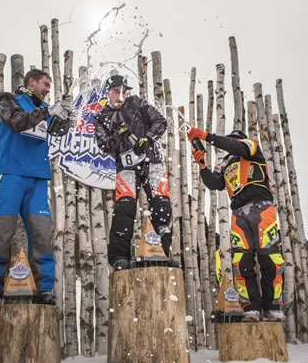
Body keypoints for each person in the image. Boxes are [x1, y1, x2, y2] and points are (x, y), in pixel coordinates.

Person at [0, 69, 72, 307]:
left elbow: (58, 130)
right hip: (10, 174)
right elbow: (18, 122)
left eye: (50, 86)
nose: (48, 89)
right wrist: (48, 110)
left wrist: (66, 114)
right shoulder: (9, 100)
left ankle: (44, 289)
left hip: (37, 179)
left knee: (42, 235)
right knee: (2, 231)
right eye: (45, 84)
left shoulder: (44, 109)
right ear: (31, 82)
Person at [188, 127, 285, 322]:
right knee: (242, 261)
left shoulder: (251, 147)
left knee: (270, 257)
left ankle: (273, 306)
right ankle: (251, 308)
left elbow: (235, 146)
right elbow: (215, 184)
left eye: (234, 140)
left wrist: (208, 137)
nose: (231, 144)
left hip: (261, 208)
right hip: (238, 213)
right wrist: (202, 165)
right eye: (230, 141)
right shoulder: (224, 164)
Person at [93, 74, 173, 271]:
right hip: (126, 168)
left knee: (161, 204)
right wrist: (118, 138)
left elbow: (160, 121)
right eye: (115, 92)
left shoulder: (137, 103)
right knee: (124, 209)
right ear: (107, 93)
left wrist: (148, 138)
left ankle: (162, 251)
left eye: (123, 91)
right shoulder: (101, 117)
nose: (120, 96)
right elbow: (104, 145)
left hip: (152, 161)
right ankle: (119, 257)